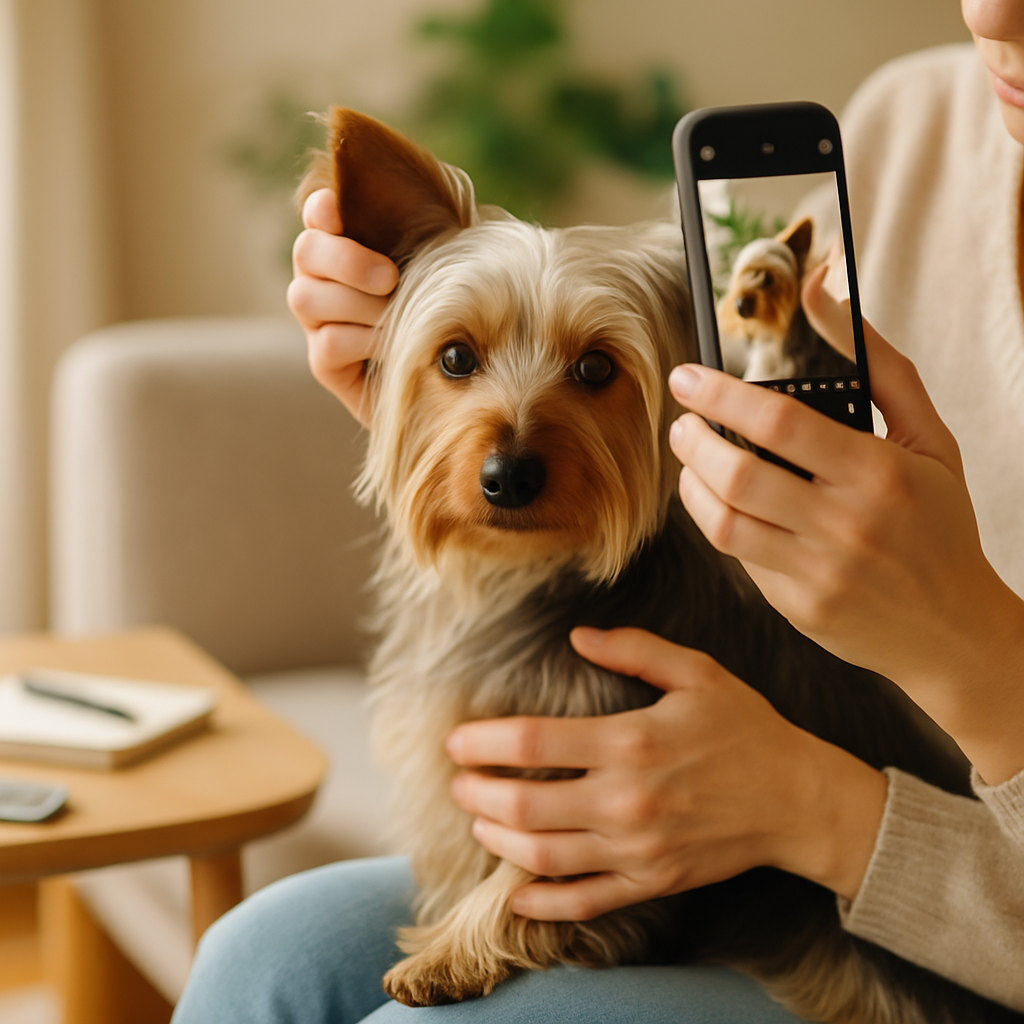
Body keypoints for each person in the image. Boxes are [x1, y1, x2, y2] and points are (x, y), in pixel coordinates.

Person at [172, 3, 1024, 1020]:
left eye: (588, 369)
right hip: (772, 868)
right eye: (457, 358)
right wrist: (409, 397)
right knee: (266, 954)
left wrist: (823, 795)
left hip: (925, 956)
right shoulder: (911, 129)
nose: (994, 11)